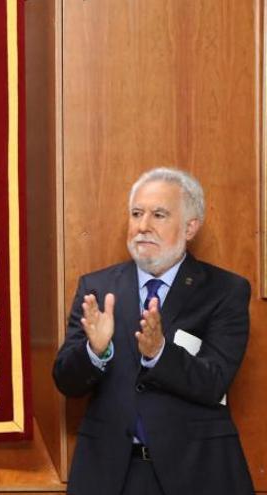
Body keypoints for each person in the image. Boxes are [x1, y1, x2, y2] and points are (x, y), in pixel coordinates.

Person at [53, 168, 254, 495]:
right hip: (110, 474)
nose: (143, 226)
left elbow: (214, 380)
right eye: (136, 214)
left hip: (197, 472)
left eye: (158, 215)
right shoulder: (98, 288)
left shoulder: (224, 290)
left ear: (190, 227)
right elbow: (66, 381)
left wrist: (160, 353)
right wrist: (95, 352)